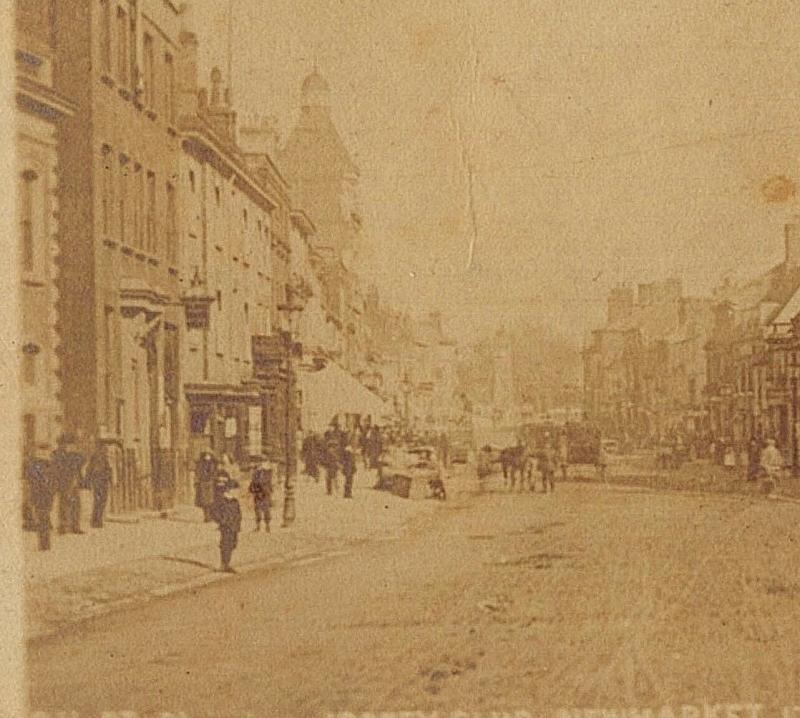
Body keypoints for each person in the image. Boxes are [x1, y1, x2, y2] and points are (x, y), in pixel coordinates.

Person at [52, 434, 85, 535]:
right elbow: (57, 469)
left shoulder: (75, 455)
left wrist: (74, 454)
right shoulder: (58, 454)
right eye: (70, 444)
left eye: (73, 445)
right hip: (64, 483)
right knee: (64, 504)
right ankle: (62, 526)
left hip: (74, 483)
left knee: (76, 504)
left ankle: (75, 526)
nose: (72, 447)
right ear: (63, 444)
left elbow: (82, 462)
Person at [27, 444, 56, 551]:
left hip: (46, 496)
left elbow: (53, 481)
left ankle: (45, 544)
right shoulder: (34, 466)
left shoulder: (49, 465)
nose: (44, 454)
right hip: (39, 495)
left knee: (44, 518)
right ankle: (44, 544)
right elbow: (33, 481)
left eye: (45, 451)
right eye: (42, 451)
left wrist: (52, 492)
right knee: (43, 519)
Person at [215, 480, 242, 573]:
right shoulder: (222, 500)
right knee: (226, 544)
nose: (237, 492)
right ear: (230, 490)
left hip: (234, 526)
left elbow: (238, 513)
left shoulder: (235, 501)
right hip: (226, 526)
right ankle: (224, 564)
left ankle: (227, 563)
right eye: (235, 490)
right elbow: (216, 512)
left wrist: (238, 524)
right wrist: (222, 521)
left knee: (233, 544)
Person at [86, 441, 112, 528]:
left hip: (101, 481)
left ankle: (96, 520)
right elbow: (91, 469)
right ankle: (96, 521)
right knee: (99, 501)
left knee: (100, 501)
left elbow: (89, 469)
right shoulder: (98, 457)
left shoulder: (103, 457)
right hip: (99, 481)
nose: (106, 449)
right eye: (104, 448)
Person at [248, 458, 273, 531]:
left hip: (265, 494)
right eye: (259, 462)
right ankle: (258, 526)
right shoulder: (255, 473)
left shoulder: (268, 472)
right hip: (258, 493)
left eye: (262, 462)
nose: (260, 464)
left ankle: (267, 525)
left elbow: (269, 483)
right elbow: (253, 483)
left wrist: (268, 491)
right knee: (258, 510)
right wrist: (254, 491)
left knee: (266, 510)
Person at [194, 451, 218, 522]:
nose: (207, 456)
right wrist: (197, 481)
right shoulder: (201, 464)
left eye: (208, 455)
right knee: (204, 501)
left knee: (211, 501)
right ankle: (206, 516)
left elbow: (214, 473)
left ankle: (210, 516)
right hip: (203, 483)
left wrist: (213, 479)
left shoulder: (213, 464)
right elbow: (198, 473)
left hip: (211, 483)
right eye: (206, 455)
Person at [322, 428, 341, 496]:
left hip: (330, 466)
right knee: (333, 478)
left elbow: (327, 459)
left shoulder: (329, 452)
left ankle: (331, 491)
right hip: (332, 466)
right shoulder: (334, 452)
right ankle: (335, 489)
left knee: (329, 478)